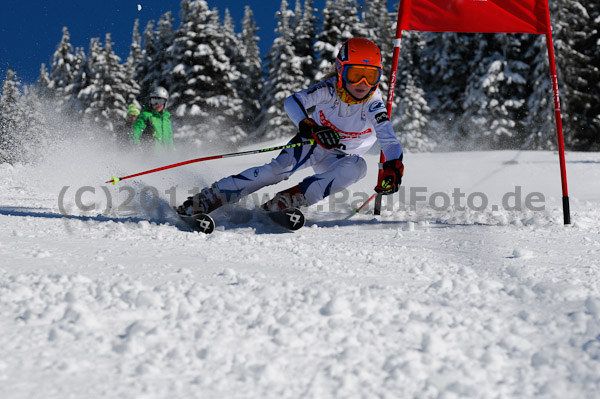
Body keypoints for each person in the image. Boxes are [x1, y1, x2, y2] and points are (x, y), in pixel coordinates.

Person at [177, 37, 404, 216]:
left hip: (339, 159)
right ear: (340, 70)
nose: (362, 84)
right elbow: (293, 101)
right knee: (276, 171)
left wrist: (393, 167)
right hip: (313, 143)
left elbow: (389, 140)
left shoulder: (374, 104)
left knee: (358, 168)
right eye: (355, 74)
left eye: (370, 76)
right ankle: (207, 199)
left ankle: (288, 200)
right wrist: (310, 126)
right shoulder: (329, 89)